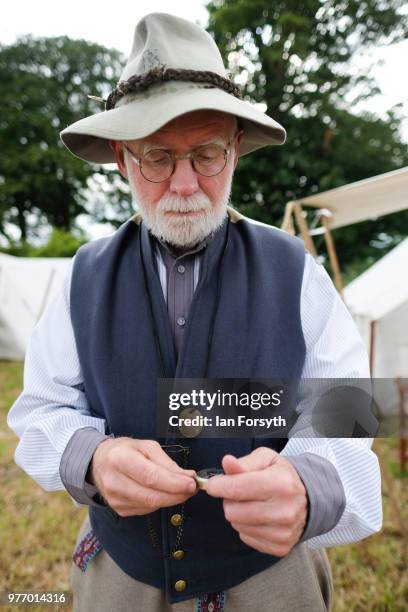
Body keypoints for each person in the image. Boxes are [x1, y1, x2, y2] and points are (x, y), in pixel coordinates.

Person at [7, 12, 382, 612]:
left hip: (267, 578)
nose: (184, 185)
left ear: (234, 150)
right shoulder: (84, 277)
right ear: (123, 159)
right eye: (158, 157)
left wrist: (308, 486)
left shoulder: (297, 271)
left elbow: (351, 411)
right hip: (122, 577)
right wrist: (94, 457)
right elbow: (41, 409)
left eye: (206, 154)